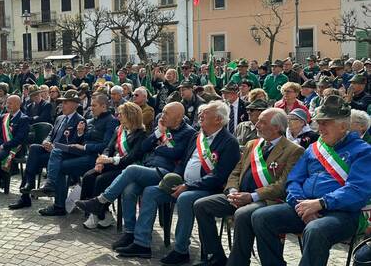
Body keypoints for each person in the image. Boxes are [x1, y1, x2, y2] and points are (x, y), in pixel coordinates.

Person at [251, 95, 371, 266]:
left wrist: (320, 203)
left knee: (316, 230)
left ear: (343, 126)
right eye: (318, 122)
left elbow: (357, 191)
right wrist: (301, 205)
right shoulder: (314, 148)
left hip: (343, 213)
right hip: (305, 206)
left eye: (325, 123)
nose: (319, 128)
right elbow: (294, 180)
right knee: (261, 217)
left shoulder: (363, 152)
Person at [114, 100, 240, 262]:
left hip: (207, 189)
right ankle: (141, 243)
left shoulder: (229, 142)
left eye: (206, 113)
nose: (200, 115)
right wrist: (176, 179)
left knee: (185, 198)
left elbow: (219, 176)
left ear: (218, 119)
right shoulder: (197, 136)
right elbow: (183, 162)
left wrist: (188, 186)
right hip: (183, 183)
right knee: (150, 191)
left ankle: (181, 250)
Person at [193, 108, 304, 266]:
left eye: (262, 122)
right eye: (257, 120)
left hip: (267, 200)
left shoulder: (294, 150)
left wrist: (251, 196)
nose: (256, 124)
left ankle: (238, 262)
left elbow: (282, 185)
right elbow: (236, 172)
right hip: (239, 196)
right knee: (201, 205)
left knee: (243, 214)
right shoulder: (252, 144)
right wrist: (232, 191)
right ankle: (215, 256)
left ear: (277, 128)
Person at [75, 102, 195, 235]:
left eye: (166, 113)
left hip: (166, 172)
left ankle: (100, 201)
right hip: (148, 167)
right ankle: (129, 232)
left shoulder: (188, 133)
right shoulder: (163, 126)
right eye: (163, 111)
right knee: (128, 189)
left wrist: (158, 148)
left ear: (178, 118)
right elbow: (145, 147)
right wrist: (158, 134)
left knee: (130, 170)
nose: (162, 115)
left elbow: (176, 153)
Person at [16, 94, 117, 219]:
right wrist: (80, 134)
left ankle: (55, 198)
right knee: (35, 149)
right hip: (78, 152)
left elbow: (106, 145)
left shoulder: (110, 121)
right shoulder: (90, 119)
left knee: (59, 162)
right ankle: (33, 187)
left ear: (104, 106)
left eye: (94, 106)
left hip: (94, 157)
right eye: (91, 105)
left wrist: (84, 146)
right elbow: (82, 139)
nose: (91, 108)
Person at [19, 90, 85, 213]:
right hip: (51, 152)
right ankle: (29, 185)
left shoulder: (79, 120)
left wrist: (55, 147)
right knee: (34, 148)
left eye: (66, 103)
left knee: (39, 160)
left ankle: (46, 187)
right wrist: (46, 142)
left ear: (75, 105)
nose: (62, 105)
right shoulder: (60, 118)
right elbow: (51, 134)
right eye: (62, 103)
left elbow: (75, 142)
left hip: (64, 154)